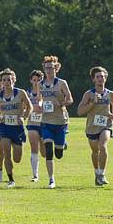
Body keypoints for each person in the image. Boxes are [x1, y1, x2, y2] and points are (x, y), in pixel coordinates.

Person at [0, 69, 31, 187]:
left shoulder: (21, 93)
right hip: (5, 127)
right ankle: (11, 179)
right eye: (4, 80)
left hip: (17, 128)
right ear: (1, 82)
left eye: (9, 80)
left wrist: (23, 116)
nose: (7, 82)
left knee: (17, 159)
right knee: (6, 152)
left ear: (14, 80)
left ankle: (8, 171)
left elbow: (29, 106)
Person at [76, 66, 113, 186]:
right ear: (94, 80)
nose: (100, 79)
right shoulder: (89, 94)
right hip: (92, 126)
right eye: (98, 77)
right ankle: (97, 173)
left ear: (106, 78)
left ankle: (102, 174)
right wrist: (92, 103)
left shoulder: (111, 94)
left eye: (102, 76)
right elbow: (80, 111)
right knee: (95, 151)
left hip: (106, 124)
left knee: (103, 146)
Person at [38, 56, 74, 189]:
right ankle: (51, 179)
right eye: (46, 68)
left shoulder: (61, 83)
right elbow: (39, 98)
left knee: (58, 154)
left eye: (51, 68)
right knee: (48, 149)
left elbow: (70, 99)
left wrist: (60, 103)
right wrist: (40, 104)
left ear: (56, 68)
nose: (48, 70)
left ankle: (62, 144)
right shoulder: (40, 84)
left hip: (60, 121)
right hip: (46, 121)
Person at [25, 69, 45, 182]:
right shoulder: (27, 93)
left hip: (45, 123)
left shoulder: (46, 91)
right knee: (33, 146)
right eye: (34, 80)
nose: (36, 82)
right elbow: (24, 106)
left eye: (39, 80)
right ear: (31, 81)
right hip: (32, 123)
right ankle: (35, 174)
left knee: (44, 153)